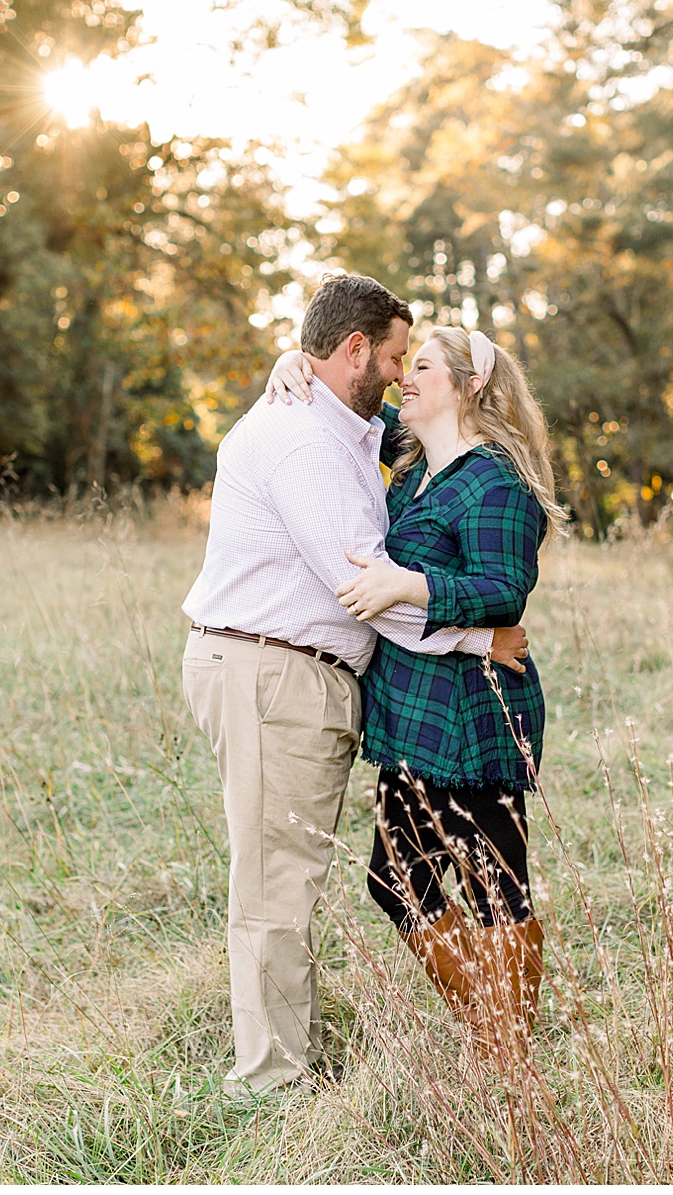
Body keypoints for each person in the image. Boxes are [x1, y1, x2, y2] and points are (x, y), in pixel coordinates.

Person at [180, 273, 530, 1097]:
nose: (401, 374)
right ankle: (270, 1079)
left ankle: (292, 1050)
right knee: (273, 883)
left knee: (288, 874)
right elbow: (364, 582)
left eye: (416, 364)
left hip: (296, 676)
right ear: (355, 350)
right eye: (396, 357)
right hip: (274, 671)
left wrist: (290, 360)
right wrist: (482, 634)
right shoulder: (305, 438)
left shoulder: (346, 425)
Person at [263, 323, 567, 1062]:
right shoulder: (417, 466)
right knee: (396, 881)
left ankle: (506, 1050)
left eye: (423, 366)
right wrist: (294, 360)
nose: (407, 378)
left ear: (471, 387)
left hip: (473, 710)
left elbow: (505, 589)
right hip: (414, 713)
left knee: (496, 883)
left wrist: (410, 583)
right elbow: (352, 393)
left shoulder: (496, 478)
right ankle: (491, 1027)